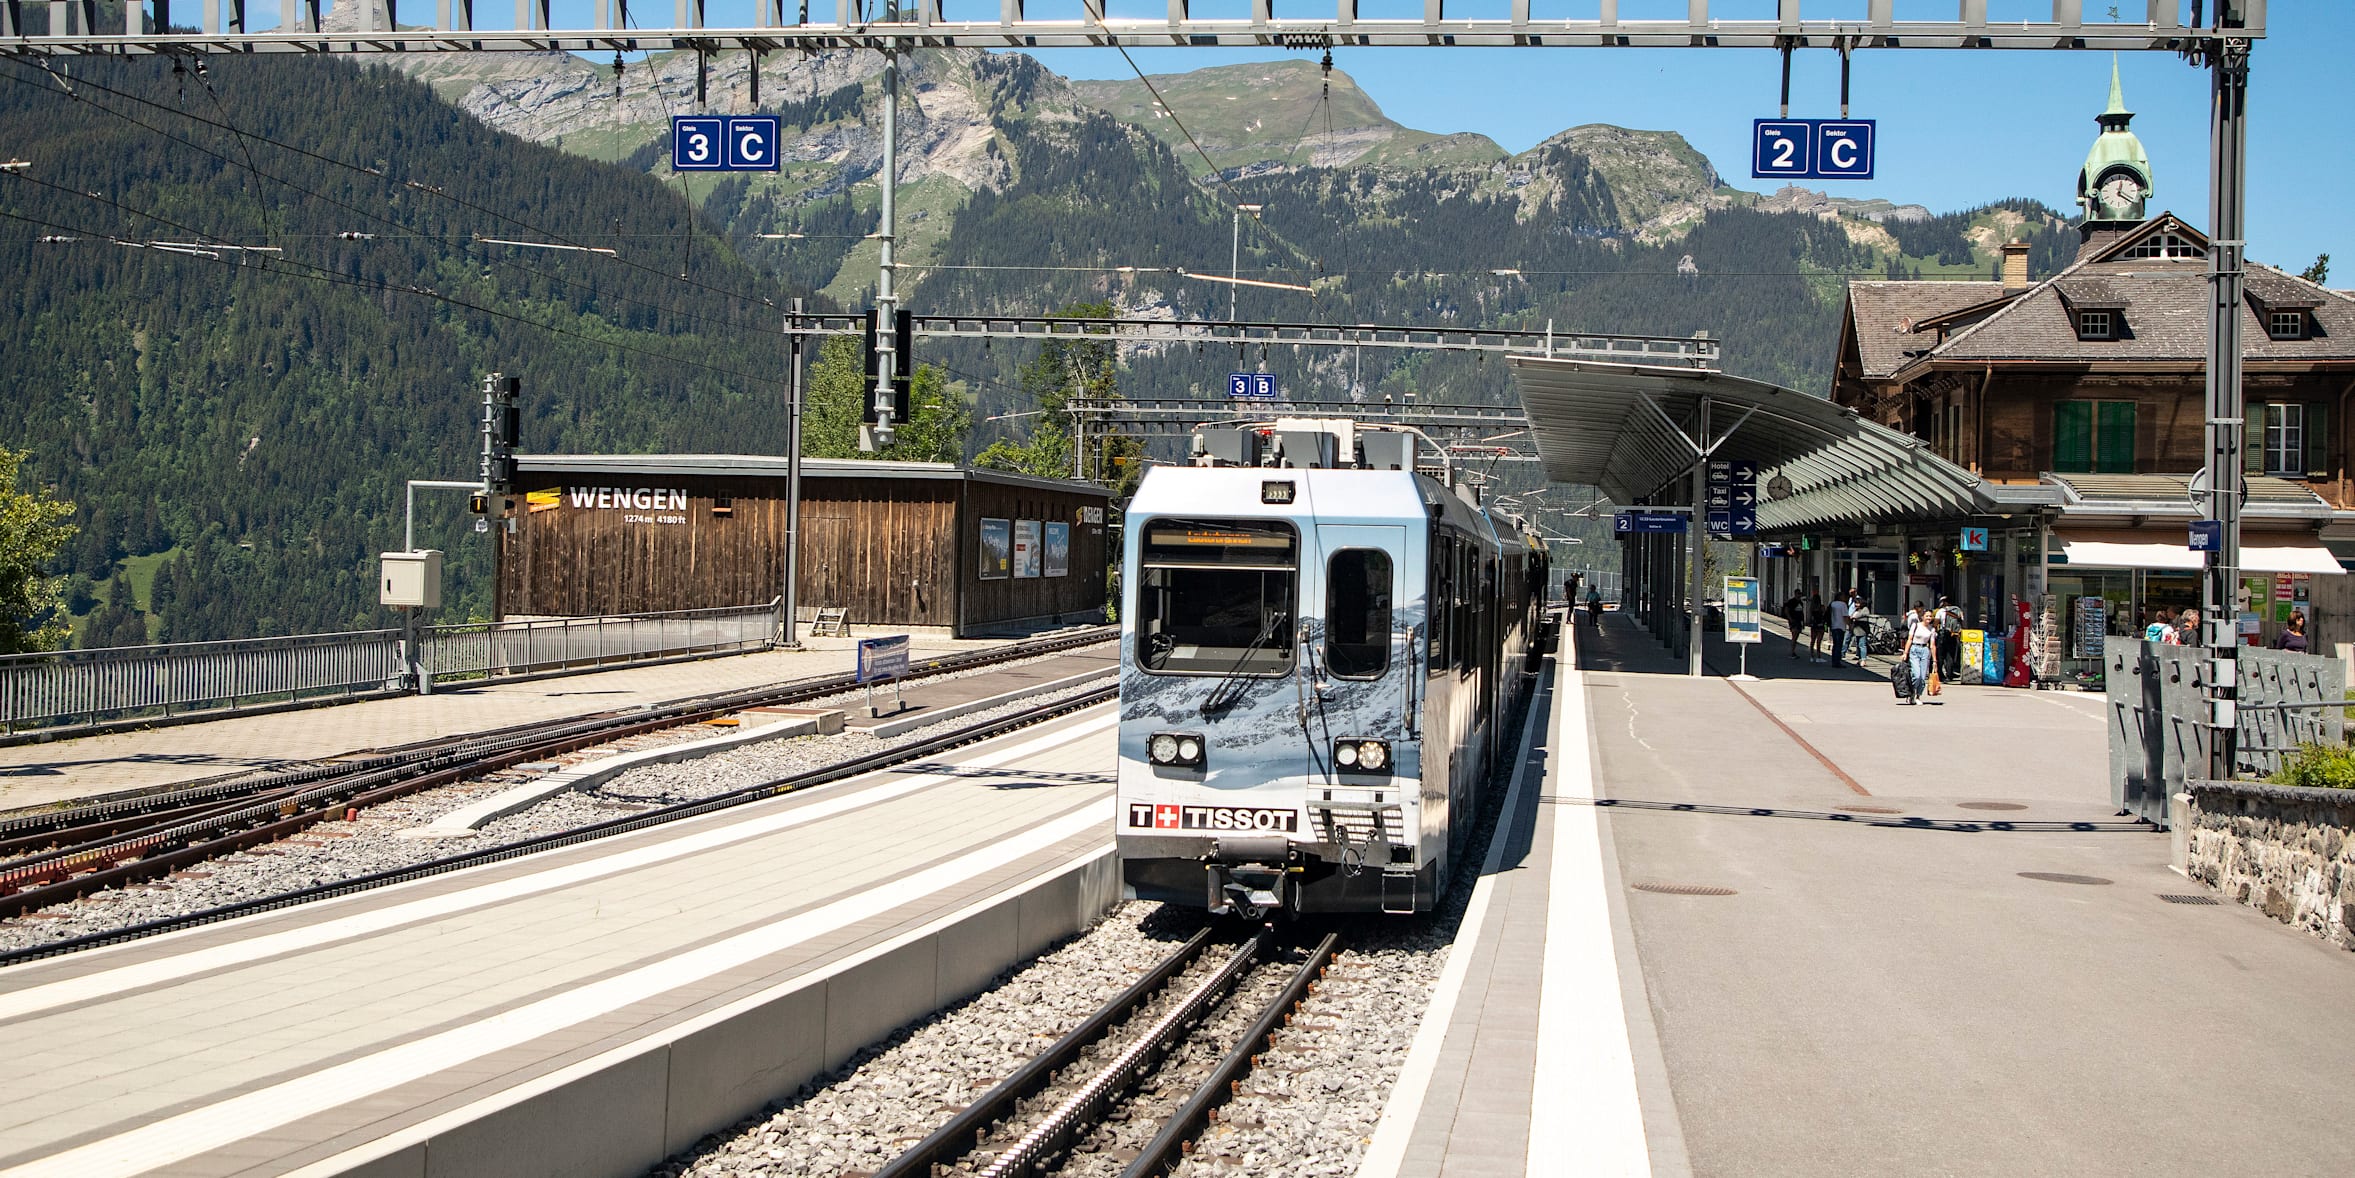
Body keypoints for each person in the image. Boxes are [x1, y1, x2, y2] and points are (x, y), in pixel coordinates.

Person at [1900, 601, 1940, 705]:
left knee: (1922, 677)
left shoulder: (1932, 629)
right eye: (1927, 616)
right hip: (1914, 649)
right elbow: (1909, 639)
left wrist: (1935, 660)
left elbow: (1932, 645)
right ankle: (1911, 693)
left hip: (1925, 651)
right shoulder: (1915, 626)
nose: (1929, 618)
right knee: (1916, 675)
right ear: (1922, 617)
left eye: (1930, 616)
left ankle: (1918, 696)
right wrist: (1905, 652)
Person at [1935, 595, 1963, 679]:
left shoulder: (1941, 611)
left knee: (1940, 654)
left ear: (1945, 602)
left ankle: (1940, 674)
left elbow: (1936, 623)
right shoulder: (1958, 610)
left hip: (1943, 634)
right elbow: (1961, 620)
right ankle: (1949, 674)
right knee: (1950, 654)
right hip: (1953, 635)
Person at [1846, 590, 1872, 662]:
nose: (1856, 605)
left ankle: (1863, 659)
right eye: (1855, 603)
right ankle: (1860, 657)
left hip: (1862, 630)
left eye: (1857, 603)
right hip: (1856, 630)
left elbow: (1865, 614)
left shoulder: (1864, 609)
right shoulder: (1857, 609)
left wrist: (1855, 617)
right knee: (1858, 644)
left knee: (1862, 644)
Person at [1827, 589, 1851, 665]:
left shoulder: (1832, 604)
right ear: (1840, 597)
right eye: (1844, 596)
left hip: (1833, 626)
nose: (1845, 598)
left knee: (1835, 644)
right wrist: (1850, 625)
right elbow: (1845, 616)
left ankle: (1834, 660)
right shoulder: (1843, 605)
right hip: (1840, 626)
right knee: (1839, 645)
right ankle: (1837, 661)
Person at [1806, 591, 1829, 661]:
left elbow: (1810, 617)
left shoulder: (1811, 608)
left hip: (1814, 625)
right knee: (1819, 642)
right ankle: (1819, 656)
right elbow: (1824, 615)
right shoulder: (1822, 607)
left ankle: (1812, 656)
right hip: (1820, 625)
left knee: (1812, 640)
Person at [1784, 591, 1806, 656]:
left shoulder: (1800, 603)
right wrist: (1790, 619)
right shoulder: (1791, 602)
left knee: (1796, 637)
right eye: (1798, 594)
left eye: (1800, 594)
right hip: (1794, 621)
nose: (1799, 596)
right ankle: (1792, 651)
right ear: (1795, 594)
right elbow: (1786, 610)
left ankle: (1793, 651)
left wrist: (1803, 623)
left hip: (1799, 621)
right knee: (1794, 635)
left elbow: (1802, 613)